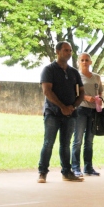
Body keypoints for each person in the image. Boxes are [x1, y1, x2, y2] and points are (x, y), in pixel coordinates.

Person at [38, 42, 84, 183]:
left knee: (65, 144)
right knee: (48, 143)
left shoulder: (74, 72)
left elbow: (81, 93)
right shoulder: (49, 70)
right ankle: (42, 173)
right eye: (65, 50)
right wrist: (62, 106)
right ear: (57, 51)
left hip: (70, 114)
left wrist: (73, 106)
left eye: (70, 50)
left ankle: (67, 172)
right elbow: (47, 91)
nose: (69, 53)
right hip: (52, 113)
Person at [70, 53, 103, 177]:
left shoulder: (96, 77)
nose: (84, 62)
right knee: (78, 140)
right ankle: (76, 167)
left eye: (87, 60)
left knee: (89, 140)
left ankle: (88, 167)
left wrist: (98, 98)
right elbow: (73, 92)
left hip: (93, 110)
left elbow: (100, 91)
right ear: (79, 62)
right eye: (82, 60)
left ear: (91, 62)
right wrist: (85, 97)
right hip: (80, 110)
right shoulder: (76, 76)